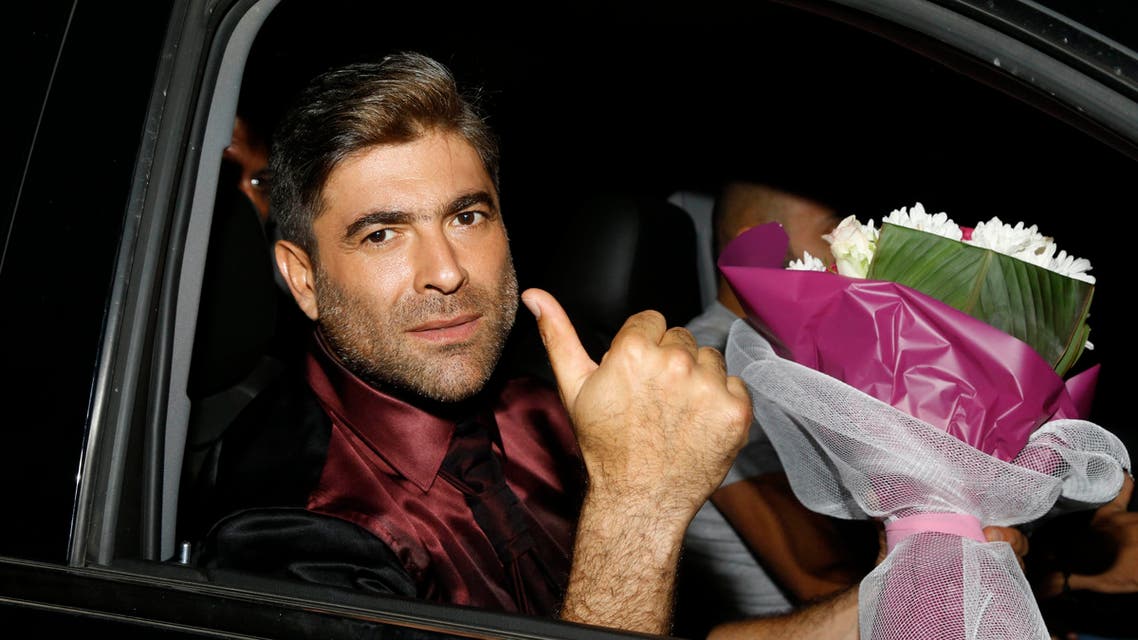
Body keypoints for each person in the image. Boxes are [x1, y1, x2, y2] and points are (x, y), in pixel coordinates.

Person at [193, 52, 1026, 638]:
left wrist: (911, 582)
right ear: (303, 278)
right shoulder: (287, 527)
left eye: (467, 216)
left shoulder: (542, 413)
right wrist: (639, 504)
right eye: (382, 234)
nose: (445, 271)